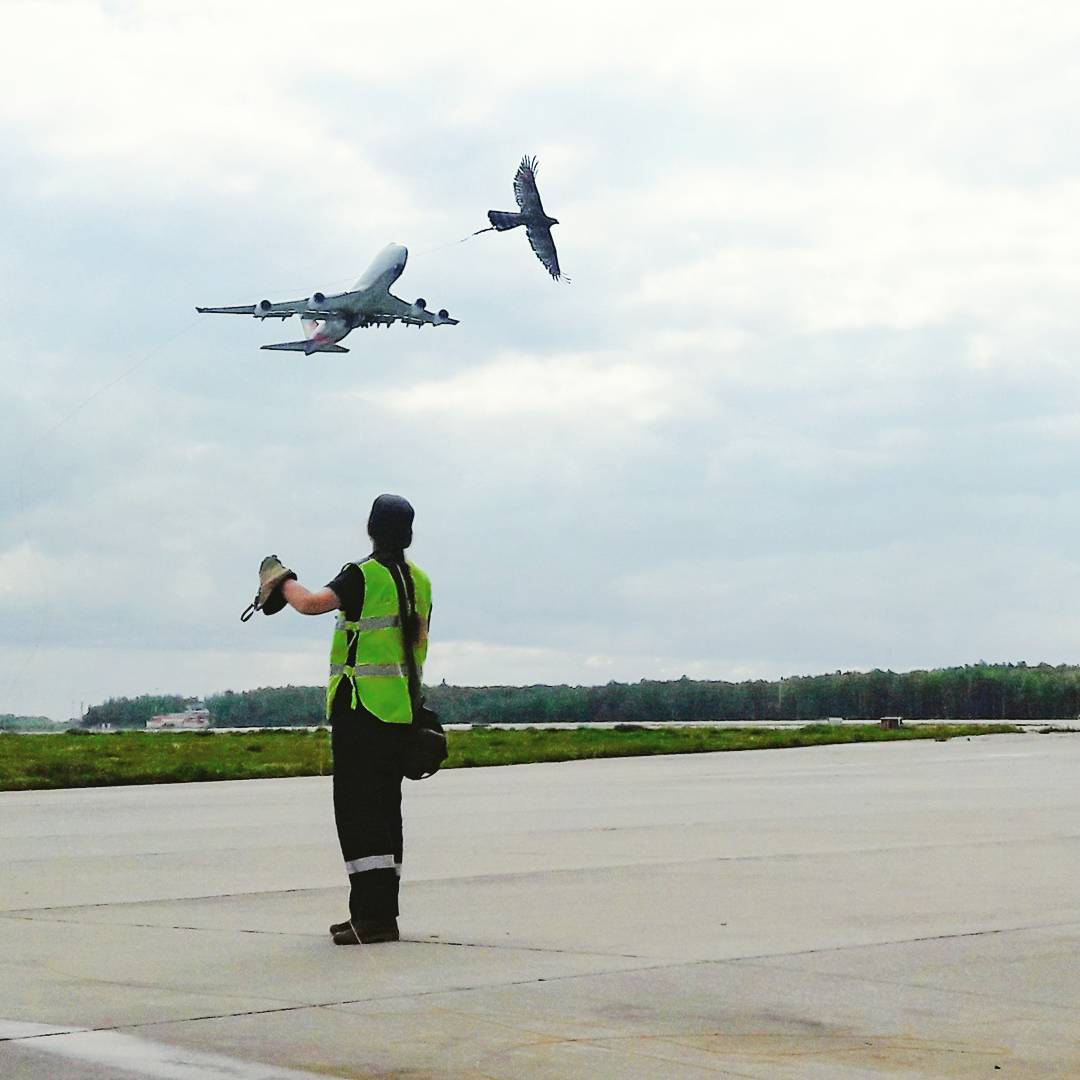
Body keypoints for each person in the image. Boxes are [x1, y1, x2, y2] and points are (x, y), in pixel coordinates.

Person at [269, 494, 432, 945]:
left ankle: (373, 919)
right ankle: (376, 913)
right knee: (386, 813)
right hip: (400, 711)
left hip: (361, 709)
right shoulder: (420, 581)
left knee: (359, 814)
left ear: (371, 528)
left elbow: (311, 604)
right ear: (409, 533)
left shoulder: (363, 575)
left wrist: (282, 581)